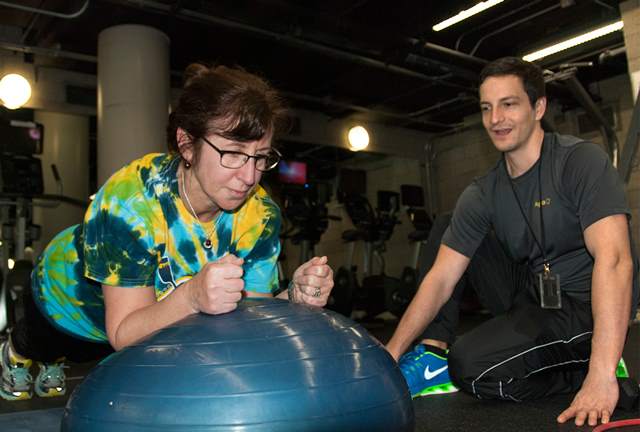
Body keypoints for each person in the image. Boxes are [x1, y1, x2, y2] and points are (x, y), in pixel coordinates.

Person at [0, 63, 334, 401]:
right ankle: (14, 353)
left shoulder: (261, 215)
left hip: (138, 325)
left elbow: (250, 311)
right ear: (187, 144)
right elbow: (123, 332)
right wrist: (191, 296)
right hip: (65, 302)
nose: (249, 176)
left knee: (100, 359)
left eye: (260, 157)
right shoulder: (129, 202)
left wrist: (292, 300)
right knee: (46, 345)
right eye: (233, 154)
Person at [386, 56, 639, 427]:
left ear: (538, 107)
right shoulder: (484, 191)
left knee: (471, 366)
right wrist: (391, 354)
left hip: (589, 302)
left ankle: (596, 361)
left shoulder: (579, 161)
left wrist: (599, 377)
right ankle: (432, 358)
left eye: (508, 104)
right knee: (447, 224)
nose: (495, 119)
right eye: (487, 108)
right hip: (536, 295)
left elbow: (616, 261)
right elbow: (440, 279)